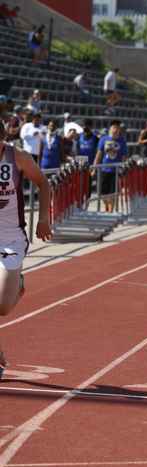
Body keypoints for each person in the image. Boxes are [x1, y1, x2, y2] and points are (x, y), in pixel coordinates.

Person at [0, 119, 53, 379]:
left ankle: (17, 282)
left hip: (10, 240)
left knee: (2, 306)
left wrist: (43, 219)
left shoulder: (18, 157)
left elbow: (43, 183)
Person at [93, 120, 127, 212]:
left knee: (113, 193)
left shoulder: (122, 141)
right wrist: (94, 168)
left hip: (115, 171)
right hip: (104, 169)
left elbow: (124, 157)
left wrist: (123, 169)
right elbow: (99, 154)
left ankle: (110, 211)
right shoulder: (103, 139)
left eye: (117, 128)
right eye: (114, 128)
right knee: (102, 193)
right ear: (110, 129)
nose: (115, 130)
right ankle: (107, 205)